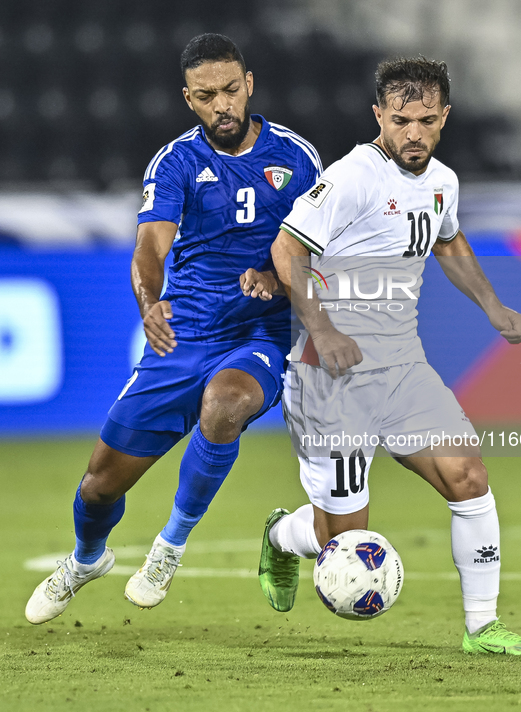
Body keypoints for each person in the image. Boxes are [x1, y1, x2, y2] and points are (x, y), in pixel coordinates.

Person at [25, 33, 321, 624]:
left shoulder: (298, 157)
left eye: (232, 90)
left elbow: (321, 244)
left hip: (257, 334)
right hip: (181, 335)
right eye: (208, 95)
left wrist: (273, 271)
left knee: (226, 403)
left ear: (250, 85)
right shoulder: (177, 162)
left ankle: (169, 547)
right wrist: (149, 302)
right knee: (98, 487)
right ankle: (86, 559)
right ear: (189, 99)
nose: (223, 106)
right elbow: (149, 248)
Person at [256, 57, 521, 655]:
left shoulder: (443, 180)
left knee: (470, 477)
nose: (414, 134)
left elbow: (448, 237)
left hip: (404, 369)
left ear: (444, 117)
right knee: (342, 538)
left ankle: (482, 626)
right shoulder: (353, 177)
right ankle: (282, 536)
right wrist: (325, 329)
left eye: (427, 121)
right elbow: (287, 253)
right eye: (401, 120)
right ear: (379, 117)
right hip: (329, 376)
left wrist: (491, 306)